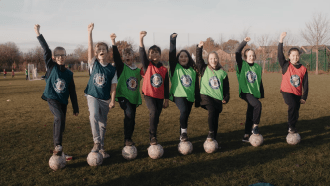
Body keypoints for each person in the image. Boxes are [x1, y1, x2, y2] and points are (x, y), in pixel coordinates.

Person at [34, 24, 79, 161]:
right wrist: (38, 33)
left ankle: (59, 150)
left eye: (62, 55)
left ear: (65, 57)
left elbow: (72, 92)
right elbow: (46, 50)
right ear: (54, 57)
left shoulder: (69, 73)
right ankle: (58, 146)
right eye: (57, 55)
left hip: (63, 101)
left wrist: (75, 108)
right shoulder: (51, 66)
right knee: (59, 117)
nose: (60, 57)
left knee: (60, 124)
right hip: (51, 98)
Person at [85, 23, 117, 158]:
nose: (102, 51)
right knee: (93, 116)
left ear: (108, 52)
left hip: (105, 98)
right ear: (97, 54)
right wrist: (90, 33)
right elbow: (90, 49)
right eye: (99, 50)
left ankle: (102, 148)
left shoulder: (111, 68)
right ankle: (96, 142)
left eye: (104, 49)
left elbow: (113, 86)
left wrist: (112, 101)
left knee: (103, 124)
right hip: (92, 95)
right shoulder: (94, 64)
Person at [111, 33, 142, 146]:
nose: (127, 56)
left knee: (132, 118)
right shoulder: (121, 67)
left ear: (133, 56)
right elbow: (116, 57)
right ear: (123, 57)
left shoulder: (137, 71)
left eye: (130, 54)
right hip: (123, 96)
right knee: (128, 114)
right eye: (125, 55)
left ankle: (129, 138)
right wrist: (113, 42)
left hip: (134, 97)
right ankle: (127, 139)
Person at [139, 31, 169, 145]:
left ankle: (154, 134)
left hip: (160, 96)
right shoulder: (147, 65)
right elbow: (141, 52)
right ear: (149, 55)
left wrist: (166, 100)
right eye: (152, 53)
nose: (154, 55)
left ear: (160, 55)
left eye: (157, 53)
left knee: (156, 116)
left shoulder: (164, 69)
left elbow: (166, 86)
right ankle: (152, 136)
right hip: (149, 94)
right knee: (153, 111)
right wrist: (141, 39)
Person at [196, 41, 230, 142]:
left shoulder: (223, 72)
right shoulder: (204, 68)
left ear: (218, 59)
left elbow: (226, 87)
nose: (213, 60)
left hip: (218, 98)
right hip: (205, 96)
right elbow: (198, 60)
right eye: (211, 59)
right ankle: (211, 132)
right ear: (208, 60)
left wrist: (226, 97)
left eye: (215, 58)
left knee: (216, 117)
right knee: (211, 111)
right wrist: (199, 48)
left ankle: (213, 139)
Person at [169, 33, 200, 141]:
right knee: (183, 111)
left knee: (185, 116)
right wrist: (172, 40)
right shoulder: (175, 67)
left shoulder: (193, 70)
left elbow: (196, 85)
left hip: (190, 96)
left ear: (189, 58)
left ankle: (182, 137)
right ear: (178, 59)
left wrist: (198, 99)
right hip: (178, 94)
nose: (183, 58)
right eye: (181, 56)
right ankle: (184, 133)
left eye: (185, 56)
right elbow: (172, 54)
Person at [278, 32, 308, 134]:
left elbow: (305, 84)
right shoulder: (285, 65)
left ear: (299, 56)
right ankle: (291, 126)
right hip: (286, 91)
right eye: (293, 55)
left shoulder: (303, 69)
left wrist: (304, 97)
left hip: (298, 93)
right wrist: (281, 40)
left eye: (297, 55)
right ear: (289, 56)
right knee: (292, 105)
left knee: (296, 111)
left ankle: (292, 127)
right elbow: (280, 55)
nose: (295, 57)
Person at [235, 37, 264, 142]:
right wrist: (244, 42)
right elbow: (237, 52)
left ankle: (246, 135)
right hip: (245, 92)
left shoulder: (257, 67)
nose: (251, 57)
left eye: (253, 55)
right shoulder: (242, 65)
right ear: (245, 57)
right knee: (258, 105)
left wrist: (261, 93)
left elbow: (259, 81)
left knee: (250, 113)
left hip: (254, 93)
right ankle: (255, 127)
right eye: (249, 55)